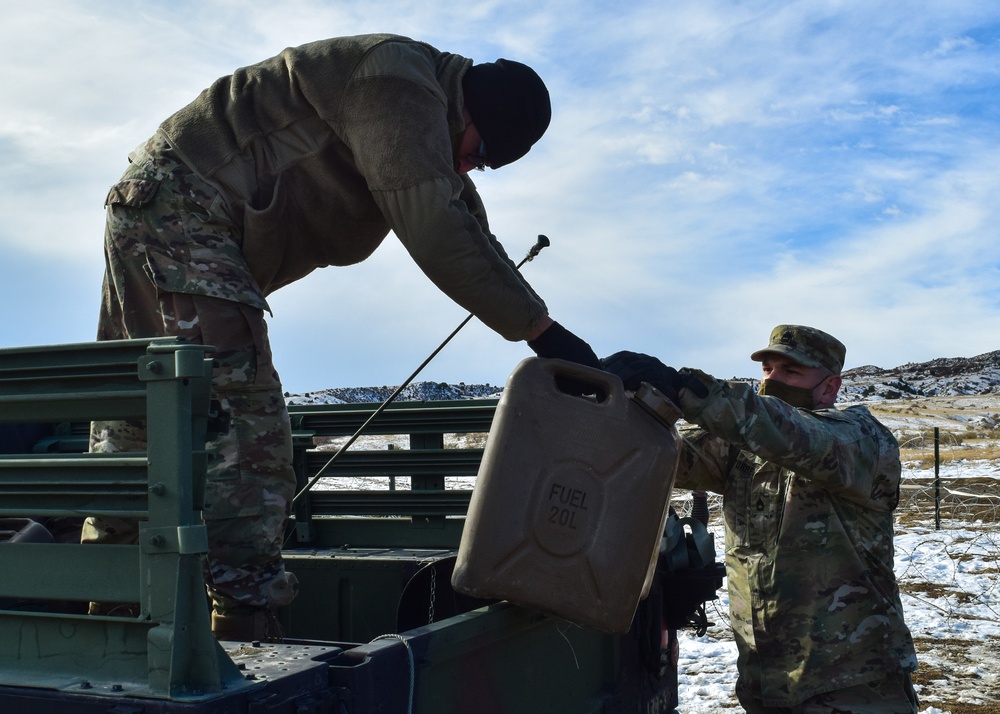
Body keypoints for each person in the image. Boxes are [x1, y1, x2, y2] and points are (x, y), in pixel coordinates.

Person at [83, 33, 601, 640]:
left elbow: (467, 226)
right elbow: (437, 229)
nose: (469, 167)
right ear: (473, 111)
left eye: (483, 166)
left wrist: (546, 328)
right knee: (243, 421)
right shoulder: (401, 86)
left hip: (156, 202)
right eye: (480, 151)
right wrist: (542, 332)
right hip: (184, 204)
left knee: (142, 412)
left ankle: (107, 609)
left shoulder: (427, 107)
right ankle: (245, 625)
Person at [603, 325, 918, 712]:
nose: (771, 380)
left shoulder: (860, 441)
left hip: (849, 686)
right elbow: (670, 456)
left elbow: (790, 433)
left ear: (829, 387)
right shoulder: (744, 449)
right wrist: (620, 405)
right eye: (767, 369)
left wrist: (683, 387)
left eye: (790, 372)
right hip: (766, 681)